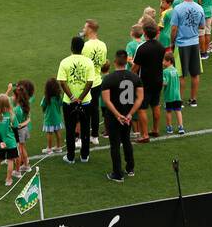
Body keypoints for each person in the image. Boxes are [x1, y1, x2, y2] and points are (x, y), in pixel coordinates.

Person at [101, 51, 143, 183]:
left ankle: (118, 174)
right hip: (127, 115)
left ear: (115, 62)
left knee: (114, 145)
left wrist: (117, 115)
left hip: (114, 117)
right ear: (126, 62)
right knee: (126, 141)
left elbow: (107, 100)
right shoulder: (135, 77)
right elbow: (140, 98)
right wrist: (130, 114)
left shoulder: (108, 79)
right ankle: (130, 168)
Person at [57, 36, 96, 164]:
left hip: (69, 102)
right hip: (86, 101)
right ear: (82, 48)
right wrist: (81, 98)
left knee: (70, 129)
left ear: (71, 47)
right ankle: (85, 156)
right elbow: (90, 82)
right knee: (85, 128)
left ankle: (71, 156)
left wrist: (73, 98)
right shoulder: (89, 62)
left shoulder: (64, 62)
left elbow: (62, 82)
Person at [169, 0, 205, 107]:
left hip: (181, 44)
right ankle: (193, 99)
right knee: (195, 73)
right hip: (194, 43)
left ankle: (180, 101)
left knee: (181, 74)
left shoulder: (178, 8)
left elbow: (174, 29)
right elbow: (202, 25)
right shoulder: (199, 8)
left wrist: (172, 42)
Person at [132, 21, 165, 141]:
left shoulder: (142, 48)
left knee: (142, 108)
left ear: (144, 33)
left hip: (145, 81)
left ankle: (145, 135)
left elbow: (135, 67)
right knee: (155, 105)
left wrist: (129, 77)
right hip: (158, 79)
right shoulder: (161, 47)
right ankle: (155, 130)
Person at [161, 50, 185, 134]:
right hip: (177, 95)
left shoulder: (165, 72)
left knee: (168, 111)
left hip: (169, 96)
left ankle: (169, 127)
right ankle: (181, 127)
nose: (162, 62)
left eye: (164, 60)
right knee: (178, 111)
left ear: (169, 61)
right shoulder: (175, 70)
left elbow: (165, 83)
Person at [39, 77, 64, 155]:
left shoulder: (46, 98)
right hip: (57, 118)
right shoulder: (58, 97)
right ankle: (59, 147)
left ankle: (49, 148)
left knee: (49, 133)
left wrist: (44, 111)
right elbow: (61, 104)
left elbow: (43, 106)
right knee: (57, 132)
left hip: (49, 119)